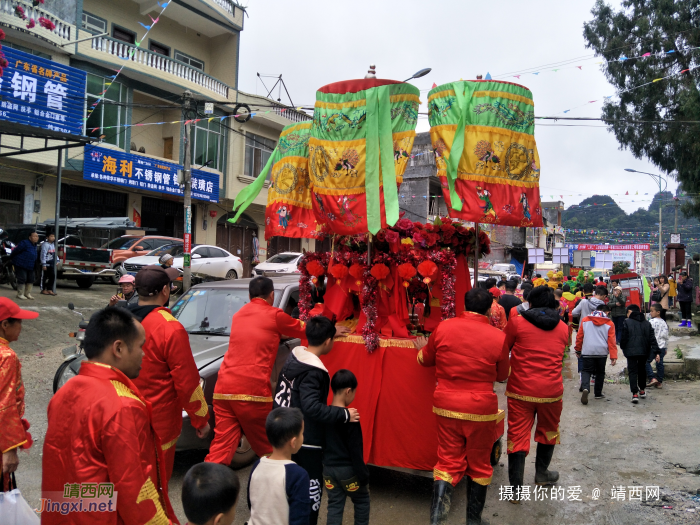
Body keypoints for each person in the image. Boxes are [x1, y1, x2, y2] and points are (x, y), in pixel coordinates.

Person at [42, 307, 177, 524]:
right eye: (141, 346)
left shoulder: (65, 391)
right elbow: (133, 490)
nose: (144, 354)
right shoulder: (123, 405)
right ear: (119, 348)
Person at [414, 288, 509, 525]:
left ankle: (437, 520)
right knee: (479, 464)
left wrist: (419, 351)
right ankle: (473, 521)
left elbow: (425, 360)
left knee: (447, 461)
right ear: (489, 309)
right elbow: (501, 375)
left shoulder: (444, 328)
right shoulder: (498, 337)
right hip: (480, 409)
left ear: (463, 306)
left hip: (446, 405)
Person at [206, 276, 308, 466]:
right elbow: (305, 329)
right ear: (271, 295)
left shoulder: (238, 315)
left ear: (249, 295)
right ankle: (278, 487)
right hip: (251, 391)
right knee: (269, 447)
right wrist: (332, 329)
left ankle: (204, 489)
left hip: (223, 389)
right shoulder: (274, 315)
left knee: (221, 448)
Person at [129, 265, 211, 486]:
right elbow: (187, 380)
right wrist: (200, 419)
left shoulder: (122, 321)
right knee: (154, 488)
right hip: (158, 423)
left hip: (123, 419)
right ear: (165, 291)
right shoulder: (170, 328)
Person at [273, 316, 359, 525]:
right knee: (311, 489)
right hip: (306, 440)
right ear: (328, 341)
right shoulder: (313, 371)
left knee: (287, 486)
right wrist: (344, 415)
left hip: (283, 429)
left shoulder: (294, 357)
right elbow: (311, 407)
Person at [504, 286, 569, 500]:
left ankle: (515, 490)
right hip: (551, 391)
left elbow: (504, 350)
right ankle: (542, 474)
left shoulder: (516, 323)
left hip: (520, 391)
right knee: (549, 430)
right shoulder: (562, 328)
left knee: (517, 434)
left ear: (529, 303)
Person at [248, 407, 310, 525]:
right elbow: (300, 517)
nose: (303, 437)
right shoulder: (298, 475)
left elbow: (251, 503)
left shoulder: (257, 465)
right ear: (293, 442)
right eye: (302, 433)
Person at [0, 298, 38, 490]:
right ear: (5, 325)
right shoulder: (6, 356)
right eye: (19, 322)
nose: (21, 327)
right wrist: (9, 448)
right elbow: (5, 404)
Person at [323, 369, 369, 525]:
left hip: (328, 470)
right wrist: (363, 475)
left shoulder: (325, 414)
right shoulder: (351, 417)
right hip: (348, 471)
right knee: (361, 500)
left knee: (334, 504)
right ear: (348, 391)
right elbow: (355, 450)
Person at [575, 304, 618, 404]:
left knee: (586, 370)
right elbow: (611, 341)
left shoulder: (585, 320)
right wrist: (613, 356)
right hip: (602, 352)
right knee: (600, 372)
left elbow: (579, 336)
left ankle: (586, 388)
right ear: (605, 312)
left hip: (587, 350)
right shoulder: (609, 323)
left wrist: (578, 349)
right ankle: (598, 393)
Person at [621, 304, 660, 404]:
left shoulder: (627, 322)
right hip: (644, 351)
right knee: (642, 370)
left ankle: (634, 393)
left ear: (630, 312)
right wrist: (656, 352)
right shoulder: (647, 323)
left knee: (632, 371)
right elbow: (652, 339)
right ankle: (642, 390)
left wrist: (623, 348)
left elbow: (624, 338)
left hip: (630, 352)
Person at [11, 231, 38, 300]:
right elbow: (16, 251)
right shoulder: (24, 243)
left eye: (37, 236)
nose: (36, 238)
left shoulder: (35, 245)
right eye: (34, 236)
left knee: (30, 279)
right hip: (21, 263)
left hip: (31, 265)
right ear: (30, 237)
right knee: (22, 278)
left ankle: (27, 293)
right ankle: (20, 294)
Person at [647, 304, 669, 390]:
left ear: (658, 312)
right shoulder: (664, 322)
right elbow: (666, 336)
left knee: (646, 361)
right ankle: (659, 382)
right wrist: (666, 347)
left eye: (652, 311)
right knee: (660, 363)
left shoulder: (651, 322)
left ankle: (652, 378)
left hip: (653, 347)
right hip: (662, 346)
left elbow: (649, 335)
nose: (650, 313)